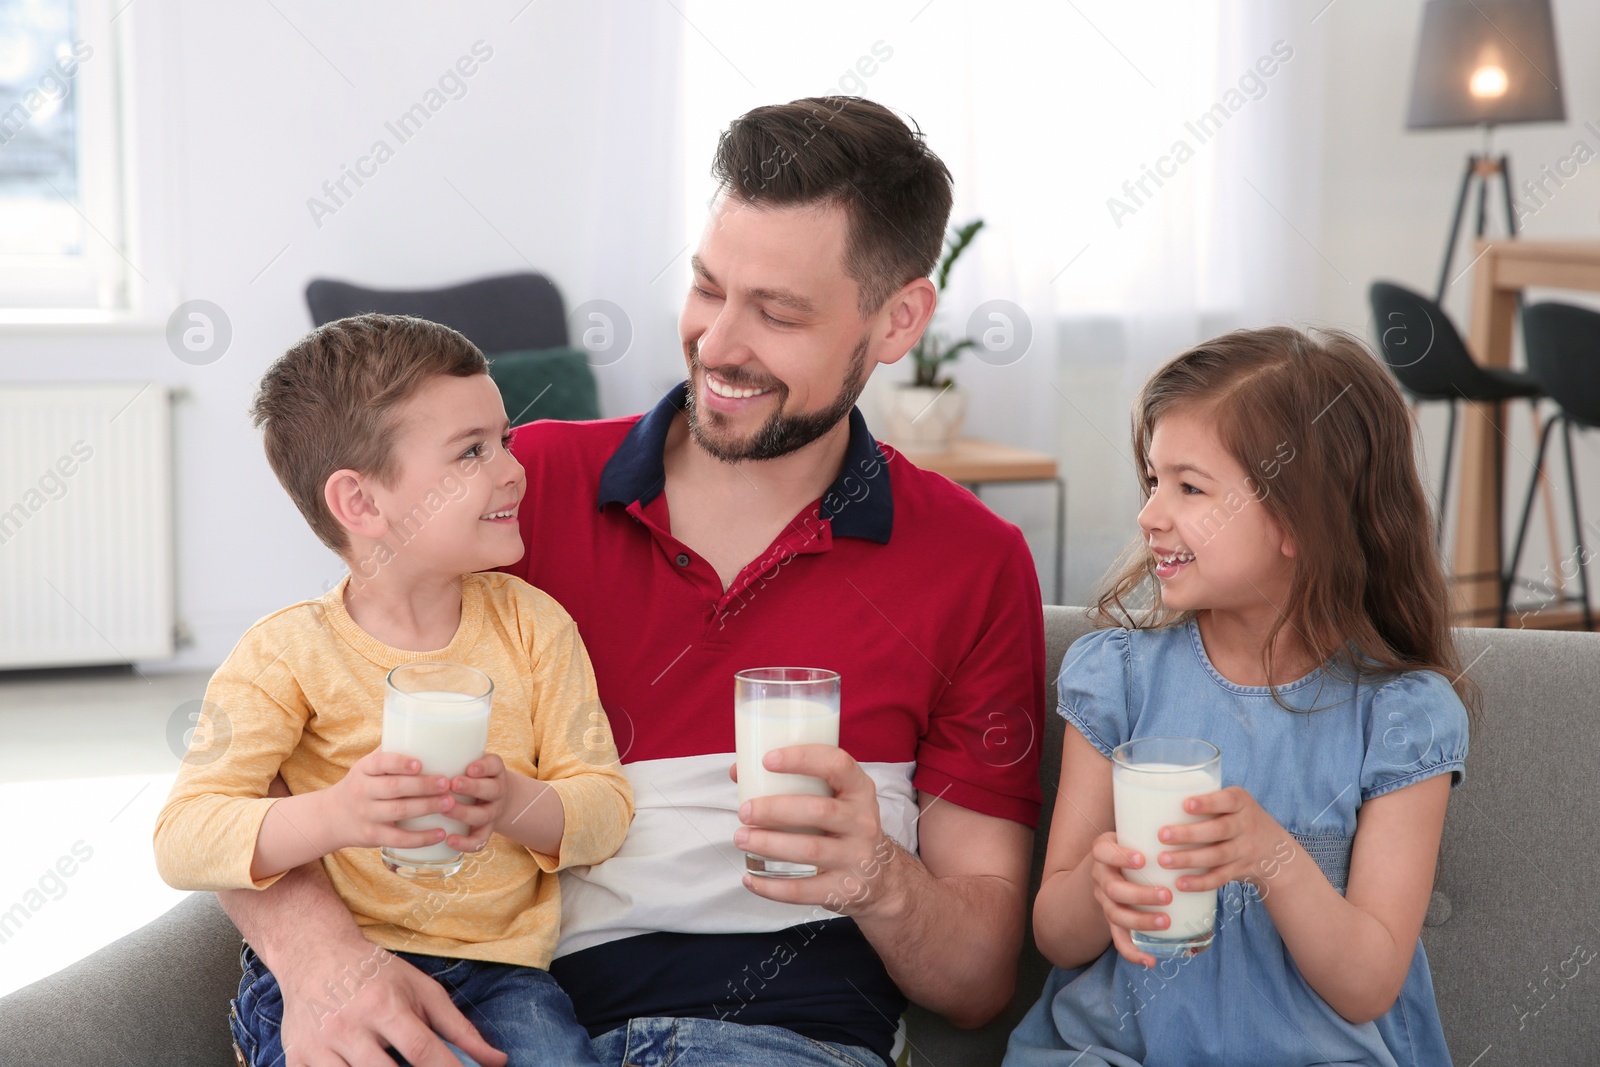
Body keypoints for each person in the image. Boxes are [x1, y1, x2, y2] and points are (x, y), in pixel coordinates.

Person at [216, 96, 1047, 1067]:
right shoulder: (517, 490)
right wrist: (321, 962)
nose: (720, 342)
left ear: (899, 317)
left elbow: (981, 978)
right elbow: (258, 760)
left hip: (780, 1037)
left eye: (776, 311)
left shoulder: (970, 560)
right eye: (707, 288)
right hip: (510, 1019)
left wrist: (875, 873)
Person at [153, 314, 635, 1067]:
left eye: (504, 438)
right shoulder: (286, 653)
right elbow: (182, 837)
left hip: (507, 981)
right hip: (329, 977)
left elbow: (605, 812)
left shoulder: (537, 629)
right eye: (472, 451)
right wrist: (337, 813)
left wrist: (515, 802)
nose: (513, 468)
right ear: (362, 503)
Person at [1007, 327, 1473, 1066]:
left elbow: (1368, 984)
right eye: (1153, 481)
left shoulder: (1399, 716)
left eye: (1189, 487)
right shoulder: (1120, 678)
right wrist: (1097, 885)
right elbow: (1054, 937)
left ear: (1298, 519)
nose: (1150, 514)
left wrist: (1275, 857)